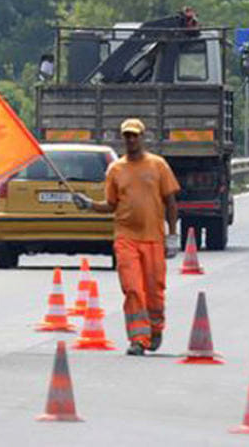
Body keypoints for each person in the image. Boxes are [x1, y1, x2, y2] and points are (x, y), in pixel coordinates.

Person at [72, 118, 181, 356]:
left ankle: (155, 328)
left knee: (154, 290)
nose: (131, 140)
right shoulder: (116, 170)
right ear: (122, 139)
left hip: (153, 238)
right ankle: (138, 339)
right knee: (132, 288)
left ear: (143, 137)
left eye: (135, 135)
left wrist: (172, 235)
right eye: (127, 136)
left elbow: (171, 202)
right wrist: (89, 204)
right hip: (126, 238)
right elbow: (110, 205)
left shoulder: (158, 165)